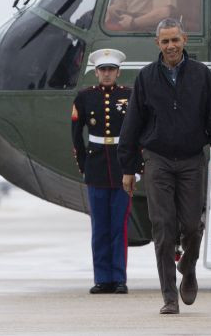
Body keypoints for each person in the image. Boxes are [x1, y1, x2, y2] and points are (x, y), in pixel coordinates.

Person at [118, 18, 211, 315]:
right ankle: (169, 297)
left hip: (193, 159)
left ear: (184, 40)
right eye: (165, 41)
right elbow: (132, 125)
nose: (170, 46)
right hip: (158, 160)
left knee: (192, 227)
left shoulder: (201, 76)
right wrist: (128, 168)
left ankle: (188, 268)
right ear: (158, 44)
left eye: (175, 40)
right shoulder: (146, 78)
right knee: (163, 227)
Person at [71, 48, 132, 295]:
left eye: (111, 70)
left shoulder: (129, 95)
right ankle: (102, 278)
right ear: (96, 73)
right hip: (96, 167)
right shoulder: (84, 97)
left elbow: (136, 132)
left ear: (118, 72)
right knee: (100, 227)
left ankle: (118, 278)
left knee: (119, 226)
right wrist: (84, 165)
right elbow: (76, 135)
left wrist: (134, 167)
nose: (107, 74)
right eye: (103, 70)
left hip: (121, 168)